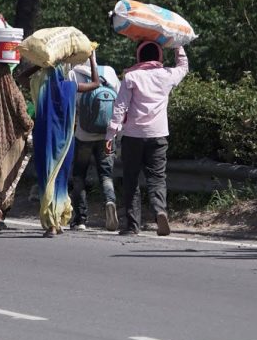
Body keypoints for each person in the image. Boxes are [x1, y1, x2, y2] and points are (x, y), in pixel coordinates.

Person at [105, 42, 189, 236]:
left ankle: (132, 225)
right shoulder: (167, 75)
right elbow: (183, 67)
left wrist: (111, 135)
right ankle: (160, 210)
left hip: (133, 136)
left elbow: (120, 107)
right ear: (159, 57)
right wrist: (178, 45)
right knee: (157, 178)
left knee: (131, 179)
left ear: (138, 57)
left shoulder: (131, 77)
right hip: (158, 135)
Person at [16, 55, 103, 238]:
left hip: (44, 141)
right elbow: (96, 84)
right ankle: (57, 220)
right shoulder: (70, 87)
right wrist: (92, 60)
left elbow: (21, 78)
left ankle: (52, 224)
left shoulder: (41, 87)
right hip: (65, 144)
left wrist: (40, 64)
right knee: (61, 180)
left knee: (47, 179)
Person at [0, 39, 35, 233]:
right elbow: (23, 116)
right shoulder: (13, 89)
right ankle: (1, 212)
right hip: (12, 141)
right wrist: (30, 125)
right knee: (8, 176)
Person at [67, 55, 121, 231]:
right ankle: (110, 202)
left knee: (79, 175)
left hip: (83, 135)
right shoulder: (110, 72)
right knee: (106, 175)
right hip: (107, 135)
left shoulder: (72, 73)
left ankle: (80, 218)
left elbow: (71, 104)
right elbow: (119, 102)